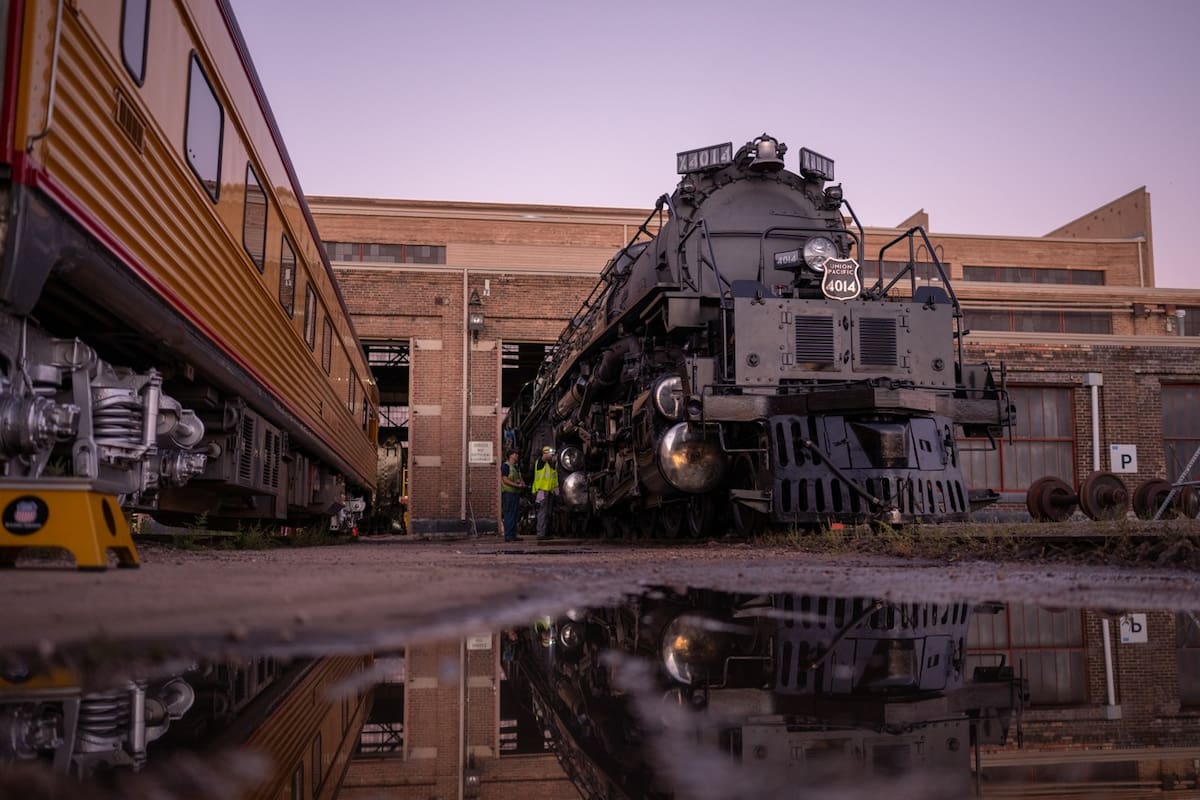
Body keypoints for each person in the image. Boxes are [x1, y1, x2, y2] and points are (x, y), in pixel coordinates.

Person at [531, 445, 559, 540]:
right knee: (542, 512)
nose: (551, 456)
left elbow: (555, 481)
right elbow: (545, 457)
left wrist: (557, 493)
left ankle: (546, 533)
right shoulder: (540, 462)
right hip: (541, 491)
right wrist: (553, 455)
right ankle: (541, 534)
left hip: (549, 492)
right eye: (550, 453)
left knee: (548, 512)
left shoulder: (551, 466)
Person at [499, 449, 524, 542]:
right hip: (508, 494)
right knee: (509, 514)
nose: (517, 455)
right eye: (515, 454)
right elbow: (505, 479)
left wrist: (522, 483)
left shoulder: (516, 467)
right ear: (510, 456)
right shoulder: (506, 466)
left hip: (515, 494)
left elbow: (519, 478)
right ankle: (508, 536)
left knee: (514, 515)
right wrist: (517, 485)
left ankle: (513, 535)